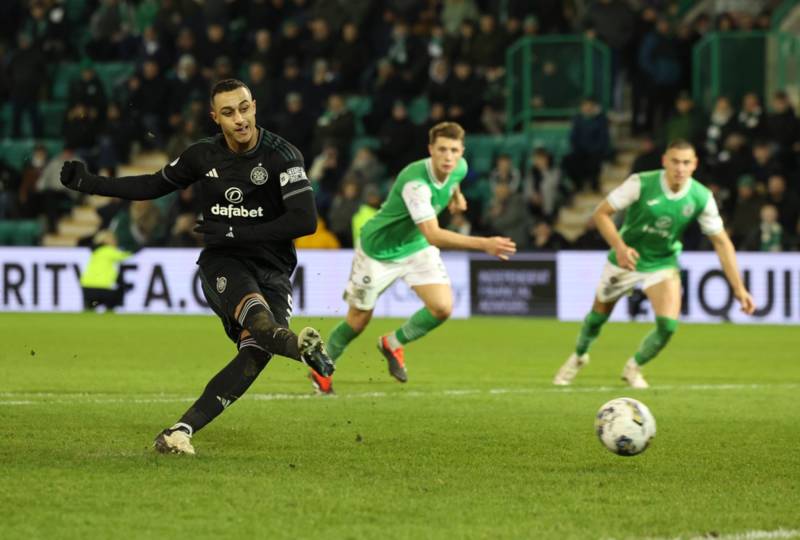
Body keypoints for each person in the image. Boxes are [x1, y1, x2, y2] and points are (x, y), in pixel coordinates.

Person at [59, 79, 334, 455]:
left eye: (243, 108)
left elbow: (305, 220)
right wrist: (90, 183)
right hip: (224, 261)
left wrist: (237, 230)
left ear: (254, 106)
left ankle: (179, 431)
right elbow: (153, 185)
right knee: (260, 322)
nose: (238, 119)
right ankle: (302, 348)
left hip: (273, 268)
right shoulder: (202, 156)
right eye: (227, 113)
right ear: (215, 117)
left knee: (257, 350)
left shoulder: (283, 156)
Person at [309, 122, 517, 394]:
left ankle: (392, 343)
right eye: (442, 149)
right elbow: (433, 234)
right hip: (378, 250)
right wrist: (484, 244)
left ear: (461, 151)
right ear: (430, 149)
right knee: (358, 320)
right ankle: (321, 368)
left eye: (454, 150)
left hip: (415, 247)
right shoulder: (415, 183)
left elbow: (453, 180)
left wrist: (456, 196)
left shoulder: (461, 167)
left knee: (442, 307)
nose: (448, 156)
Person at [553, 140, 755, 389]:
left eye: (686, 162)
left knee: (668, 326)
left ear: (694, 165)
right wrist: (620, 247)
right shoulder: (641, 182)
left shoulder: (701, 197)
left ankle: (634, 367)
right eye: (675, 161)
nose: (680, 168)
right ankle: (579, 355)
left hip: (662, 262)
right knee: (597, 318)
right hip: (626, 259)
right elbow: (600, 213)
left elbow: (722, 243)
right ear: (664, 161)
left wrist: (739, 288)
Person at [80, 229, 133, 311]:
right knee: (113, 302)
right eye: (113, 239)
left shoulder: (95, 252)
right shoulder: (108, 251)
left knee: (90, 309)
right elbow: (127, 255)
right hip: (102, 289)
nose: (115, 241)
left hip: (87, 288)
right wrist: (138, 247)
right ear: (107, 240)